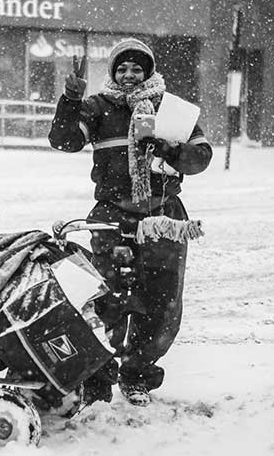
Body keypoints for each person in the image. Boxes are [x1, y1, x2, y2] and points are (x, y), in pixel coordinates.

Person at [48, 38, 212, 406]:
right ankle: (98, 379)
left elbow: (201, 158)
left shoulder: (173, 110)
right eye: (122, 68)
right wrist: (71, 99)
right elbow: (64, 141)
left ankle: (137, 375)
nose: (129, 74)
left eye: (137, 68)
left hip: (164, 216)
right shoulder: (97, 108)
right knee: (107, 300)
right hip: (112, 216)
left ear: (149, 71)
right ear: (112, 72)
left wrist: (166, 147)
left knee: (161, 303)